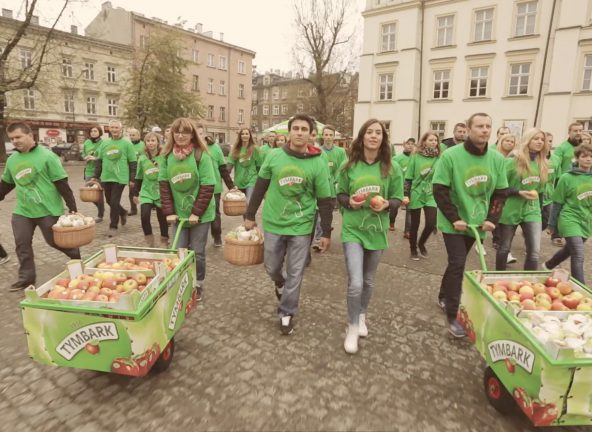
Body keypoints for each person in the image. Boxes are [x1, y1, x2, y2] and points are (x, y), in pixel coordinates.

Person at [244, 114, 333, 335]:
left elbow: (324, 200)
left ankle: (286, 312)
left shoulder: (318, 162)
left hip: (301, 226)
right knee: (271, 266)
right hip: (274, 223)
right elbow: (260, 186)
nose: (299, 132)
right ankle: (279, 282)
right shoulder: (274, 156)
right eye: (296, 128)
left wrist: (327, 232)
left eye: (304, 129)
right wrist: (249, 214)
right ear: (289, 132)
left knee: (296, 271)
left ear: (312, 134)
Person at [432, 113, 508, 337]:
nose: (485, 130)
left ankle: (444, 295)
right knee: (458, 262)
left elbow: (500, 194)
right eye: (480, 126)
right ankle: (454, 315)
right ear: (468, 128)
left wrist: (492, 219)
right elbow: (439, 189)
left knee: (458, 261)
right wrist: (454, 217)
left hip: (477, 222)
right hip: (453, 222)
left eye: (488, 126)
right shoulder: (451, 156)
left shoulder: (497, 159)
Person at [337, 119, 403, 354]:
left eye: (379, 133)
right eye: (370, 132)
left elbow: (397, 199)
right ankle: (352, 326)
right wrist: (350, 203)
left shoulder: (392, 168)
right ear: (362, 137)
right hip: (353, 229)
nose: (374, 136)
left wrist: (387, 204)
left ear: (383, 139)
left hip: (377, 230)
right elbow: (341, 194)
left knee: (368, 280)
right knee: (355, 282)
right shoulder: (348, 166)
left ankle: (362, 314)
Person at [0, 122, 81, 291]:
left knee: (54, 242)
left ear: (30, 135)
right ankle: (26, 279)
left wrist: (72, 207)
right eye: (12, 138)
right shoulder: (13, 159)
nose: (15, 141)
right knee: (22, 244)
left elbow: (62, 184)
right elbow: (6, 183)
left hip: (48, 210)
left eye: (18, 137)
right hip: (23, 211)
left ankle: (76, 256)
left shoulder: (47, 156)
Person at [159, 118, 216, 301]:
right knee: (178, 250)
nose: (181, 135)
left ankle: (198, 283)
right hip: (179, 214)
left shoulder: (201, 156)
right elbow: (164, 186)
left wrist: (196, 213)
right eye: (177, 132)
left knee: (197, 251)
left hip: (201, 214)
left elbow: (208, 185)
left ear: (192, 134)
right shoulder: (166, 157)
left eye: (185, 132)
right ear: (172, 134)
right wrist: (169, 212)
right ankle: (179, 282)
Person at [495, 128, 549, 271]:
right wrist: (518, 192)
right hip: (510, 209)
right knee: (504, 248)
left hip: (532, 210)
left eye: (542, 139)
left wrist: (543, 213)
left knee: (534, 252)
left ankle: (529, 284)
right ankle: (499, 280)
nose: (539, 142)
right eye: (535, 138)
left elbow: (541, 192)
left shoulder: (543, 163)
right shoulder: (512, 161)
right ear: (527, 140)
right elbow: (499, 187)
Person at [543, 143, 592, 284]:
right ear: (577, 158)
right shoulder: (566, 178)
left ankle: (549, 265)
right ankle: (581, 290)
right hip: (569, 218)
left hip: (586, 220)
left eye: (591, 156)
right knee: (578, 253)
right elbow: (557, 202)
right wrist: (552, 225)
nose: (588, 159)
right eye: (584, 156)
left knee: (569, 250)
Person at [91, 119, 137, 237]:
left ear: (121, 129)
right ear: (109, 129)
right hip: (106, 177)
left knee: (114, 201)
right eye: (112, 127)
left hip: (120, 177)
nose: (114, 130)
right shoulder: (104, 143)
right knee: (108, 200)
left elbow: (133, 162)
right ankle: (123, 212)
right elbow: (99, 161)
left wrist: (132, 178)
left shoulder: (127, 144)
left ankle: (113, 226)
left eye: (117, 127)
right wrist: (95, 176)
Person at [405, 131, 440, 260]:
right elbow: (408, 177)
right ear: (424, 141)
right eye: (431, 140)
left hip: (431, 194)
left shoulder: (439, 158)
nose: (434, 142)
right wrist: (406, 194)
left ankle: (421, 243)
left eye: (435, 140)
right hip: (416, 192)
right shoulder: (415, 156)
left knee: (431, 223)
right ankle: (413, 249)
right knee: (414, 224)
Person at [312, 124, 346, 250]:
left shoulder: (341, 152)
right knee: (316, 212)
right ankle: (318, 238)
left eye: (330, 135)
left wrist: (335, 181)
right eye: (326, 134)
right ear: (322, 136)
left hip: (332, 187)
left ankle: (325, 236)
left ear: (334, 137)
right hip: (319, 186)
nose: (328, 137)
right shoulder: (317, 150)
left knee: (327, 214)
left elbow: (342, 167)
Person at [133, 132, 168, 248]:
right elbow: (138, 177)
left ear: (158, 142)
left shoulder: (164, 157)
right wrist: (135, 193)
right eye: (148, 141)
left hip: (160, 192)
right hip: (146, 192)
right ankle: (149, 240)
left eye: (153, 140)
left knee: (162, 218)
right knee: (144, 215)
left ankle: (164, 240)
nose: (150, 143)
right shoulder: (142, 158)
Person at [201, 129, 235, 247]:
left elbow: (223, 168)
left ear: (205, 135)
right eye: (197, 133)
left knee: (214, 213)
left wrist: (231, 186)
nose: (200, 136)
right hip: (197, 188)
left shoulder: (215, 148)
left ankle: (217, 236)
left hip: (214, 187)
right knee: (200, 213)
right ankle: (200, 239)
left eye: (201, 133)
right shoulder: (191, 148)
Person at [552, 122, 584, 247]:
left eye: (580, 130)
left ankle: (577, 232)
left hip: (582, 183)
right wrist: (558, 180)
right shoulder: (562, 148)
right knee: (560, 208)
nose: (578, 133)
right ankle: (556, 235)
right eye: (575, 131)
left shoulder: (584, 147)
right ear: (569, 132)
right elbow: (556, 165)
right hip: (564, 182)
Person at [228, 128, 261, 202]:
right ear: (240, 136)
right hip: (239, 181)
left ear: (250, 136)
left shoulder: (254, 149)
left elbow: (259, 166)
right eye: (242, 134)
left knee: (248, 201)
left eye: (247, 134)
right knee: (242, 204)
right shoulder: (235, 149)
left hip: (251, 180)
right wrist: (228, 181)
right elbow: (229, 166)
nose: (245, 135)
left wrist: (259, 181)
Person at [389, 138, 414, 235]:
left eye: (412, 144)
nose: (410, 145)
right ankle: (392, 222)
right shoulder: (396, 159)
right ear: (404, 145)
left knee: (410, 209)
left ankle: (407, 231)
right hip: (398, 187)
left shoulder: (415, 158)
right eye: (408, 143)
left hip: (410, 187)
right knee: (394, 207)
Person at [81, 125, 105, 223]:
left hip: (99, 171)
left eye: (95, 131)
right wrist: (85, 157)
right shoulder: (87, 142)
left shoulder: (103, 143)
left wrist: (95, 159)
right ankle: (102, 208)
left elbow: (104, 157)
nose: (93, 133)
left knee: (98, 194)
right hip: (88, 171)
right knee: (89, 195)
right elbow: (82, 153)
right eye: (91, 131)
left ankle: (100, 215)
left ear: (100, 132)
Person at [127, 128, 145, 216]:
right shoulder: (128, 145)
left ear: (138, 135)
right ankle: (133, 209)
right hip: (132, 173)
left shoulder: (143, 145)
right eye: (130, 135)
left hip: (143, 172)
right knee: (132, 192)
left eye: (133, 135)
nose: (131, 137)